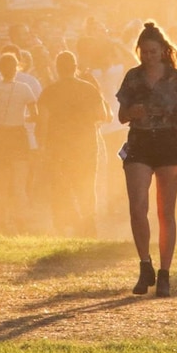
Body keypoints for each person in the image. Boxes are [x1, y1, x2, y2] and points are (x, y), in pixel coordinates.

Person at [116, 21, 177, 298]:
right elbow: (121, 115)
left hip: (168, 143)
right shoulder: (133, 77)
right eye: (144, 52)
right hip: (139, 142)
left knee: (166, 212)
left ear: (163, 51)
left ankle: (165, 272)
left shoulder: (174, 78)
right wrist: (133, 113)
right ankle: (144, 265)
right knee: (137, 207)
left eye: (153, 52)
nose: (148, 57)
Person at [37, 51, 109, 237]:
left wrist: (42, 147)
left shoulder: (49, 91)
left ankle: (62, 222)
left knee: (60, 182)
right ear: (75, 66)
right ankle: (88, 222)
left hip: (58, 145)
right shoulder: (89, 88)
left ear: (57, 68)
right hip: (86, 143)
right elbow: (101, 115)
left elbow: (42, 121)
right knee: (86, 182)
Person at [0, 52, 37, 230]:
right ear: (17, 68)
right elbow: (35, 115)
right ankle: (22, 221)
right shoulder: (25, 88)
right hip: (18, 135)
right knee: (19, 183)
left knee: (0, 183)